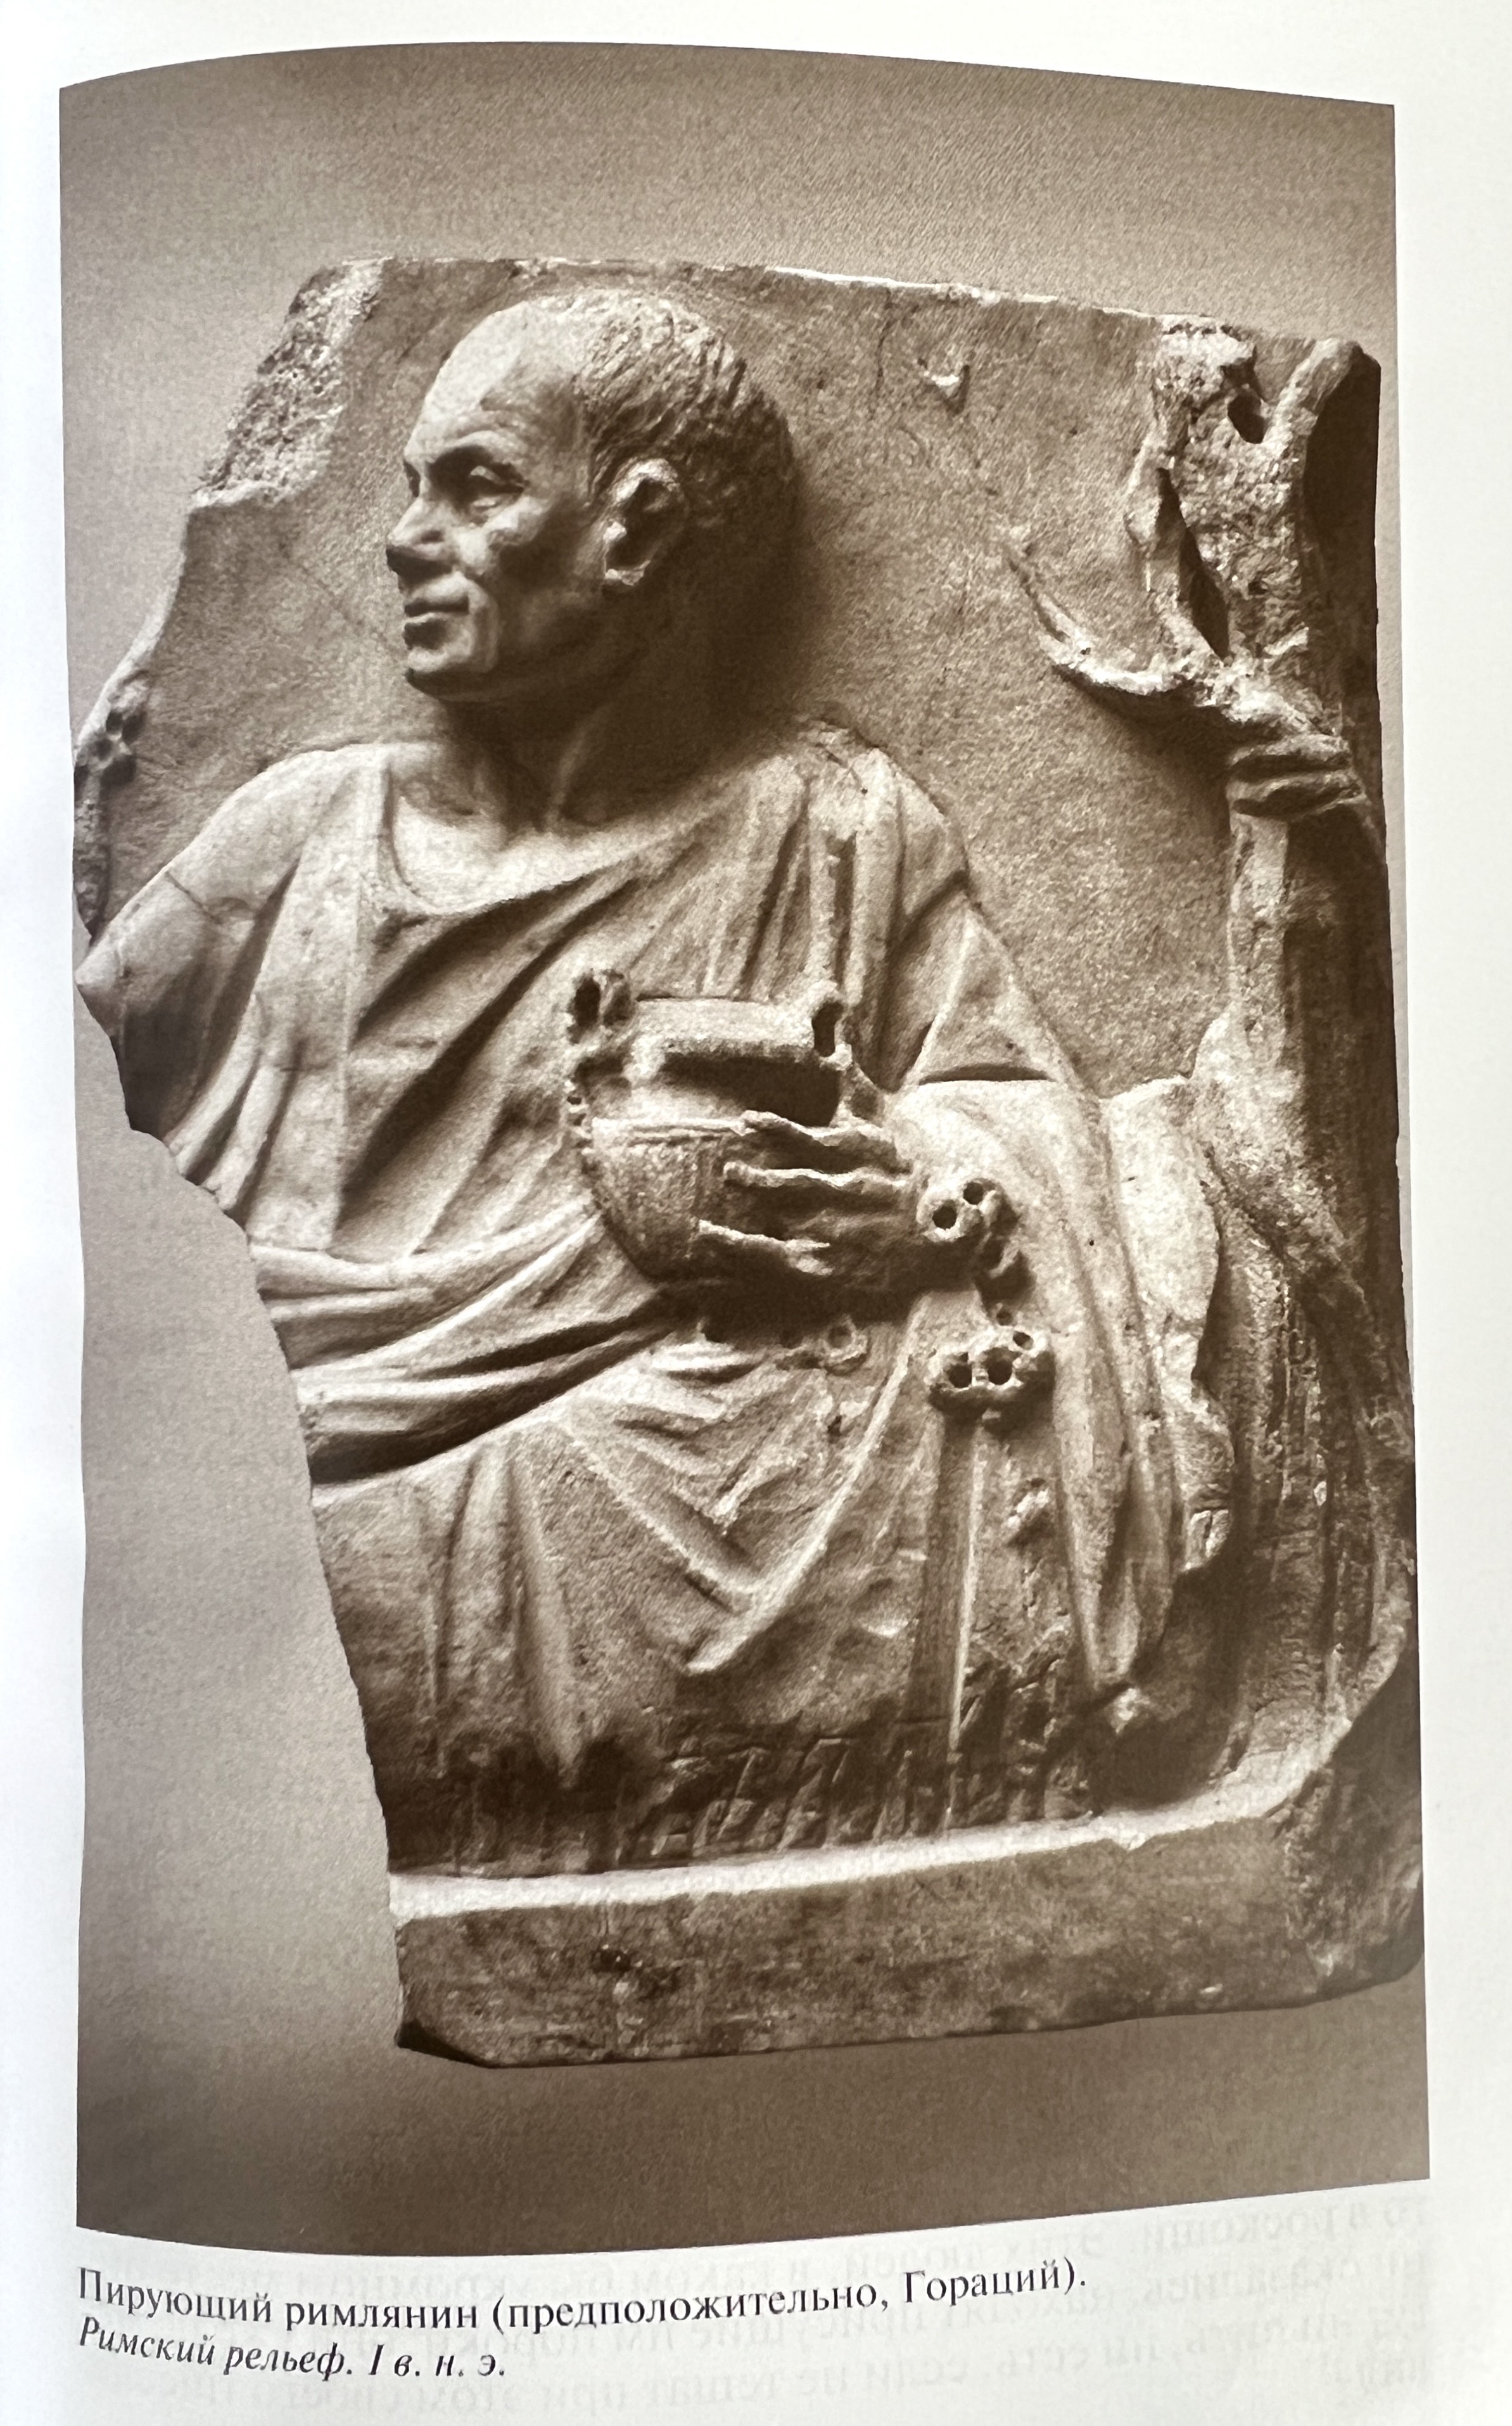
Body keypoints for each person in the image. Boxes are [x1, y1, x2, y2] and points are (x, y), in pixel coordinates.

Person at [78, 288, 1410, 1879]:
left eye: (475, 487)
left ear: (637, 531)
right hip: (378, 1460)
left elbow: (1032, 1137)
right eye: (411, 486)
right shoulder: (301, 848)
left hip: (736, 1458)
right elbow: (67, 1100)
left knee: (916, 1390)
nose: (401, 540)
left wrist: (917, 1191)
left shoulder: (842, 832)